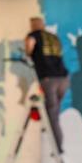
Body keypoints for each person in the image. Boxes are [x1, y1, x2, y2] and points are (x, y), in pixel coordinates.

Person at [25, 16, 70, 152]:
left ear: (33, 25)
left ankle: (57, 147)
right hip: (64, 79)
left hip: (48, 79)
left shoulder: (33, 35)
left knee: (51, 113)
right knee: (54, 112)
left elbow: (29, 46)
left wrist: (28, 53)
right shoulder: (53, 37)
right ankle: (50, 131)